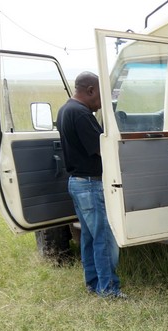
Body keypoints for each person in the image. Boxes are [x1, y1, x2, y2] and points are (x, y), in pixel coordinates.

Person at [56, 72, 124, 299]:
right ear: (91, 90)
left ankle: (93, 283)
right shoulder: (81, 114)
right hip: (91, 185)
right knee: (104, 238)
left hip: (77, 183)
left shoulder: (66, 109)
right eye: (100, 96)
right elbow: (100, 148)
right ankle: (109, 289)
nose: (102, 103)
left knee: (89, 236)